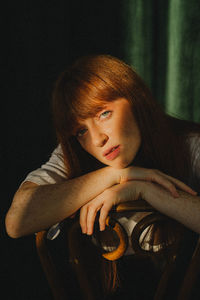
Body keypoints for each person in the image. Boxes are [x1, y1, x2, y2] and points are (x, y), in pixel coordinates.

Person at [5, 54, 200, 298]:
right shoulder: (74, 154)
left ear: (135, 99)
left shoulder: (189, 145)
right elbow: (17, 221)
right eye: (81, 130)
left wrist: (147, 191)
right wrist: (115, 175)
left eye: (103, 114)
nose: (97, 139)